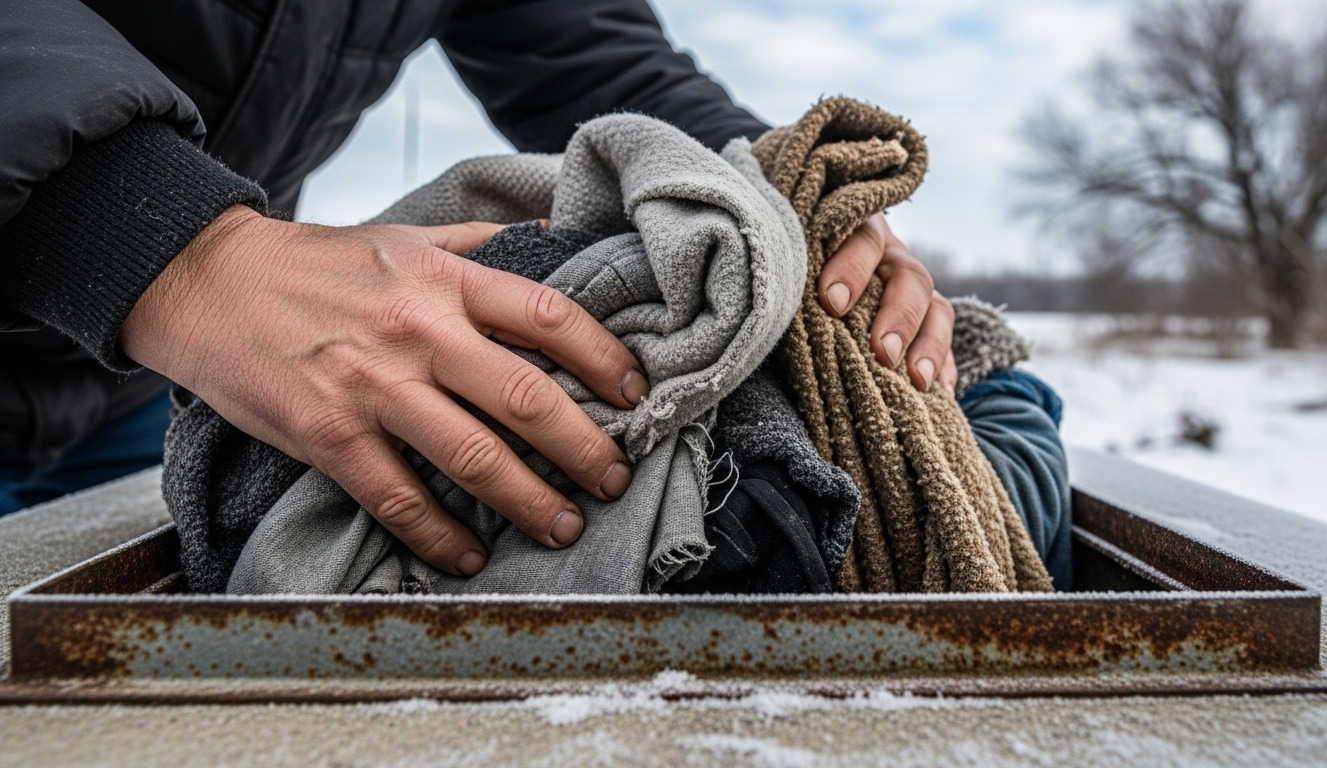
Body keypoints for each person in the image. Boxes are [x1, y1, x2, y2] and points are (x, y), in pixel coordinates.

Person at [0, 0, 958, 579]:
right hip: (174, 316)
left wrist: (786, 198)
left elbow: (597, 57)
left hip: (148, 390)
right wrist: (171, 247)